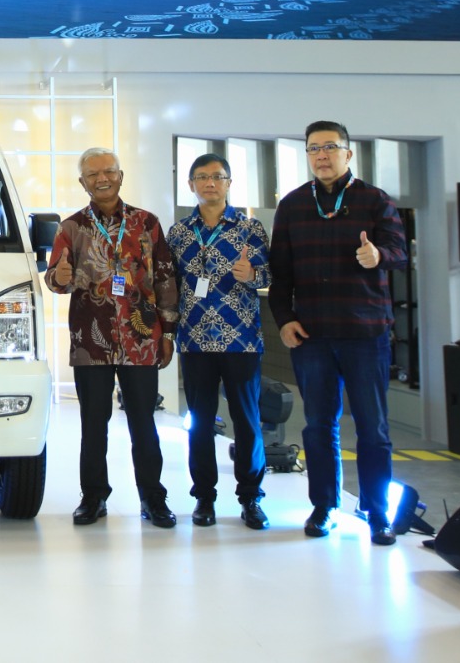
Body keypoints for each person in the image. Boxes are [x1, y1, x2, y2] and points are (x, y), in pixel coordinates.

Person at [269, 120, 407, 545]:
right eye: (313, 149)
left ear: (348, 153)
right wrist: (284, 319)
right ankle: (324, 505)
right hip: (312, 335)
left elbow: (399, 253)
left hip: (365, 332)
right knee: (317, 426)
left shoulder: (375, 201)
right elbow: (280, 273)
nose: (322, 156)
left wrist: (377, 255)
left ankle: (377, 512)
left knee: (373, 427)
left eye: (330, 147)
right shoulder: (293, 205)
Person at [44, 147, 179, 528]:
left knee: (143, 423)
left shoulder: (147, 223)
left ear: (121, 177)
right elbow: (55, 278)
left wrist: (168, 331)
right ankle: (93, 496)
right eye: (93, 174)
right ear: (82, 182)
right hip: (91, 342)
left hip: (142, 338)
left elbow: (165, 277)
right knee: (93, 424)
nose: (101, 179)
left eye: (108, 172)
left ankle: (153, 498)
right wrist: (58, 278)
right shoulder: (71, 228)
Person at [166, 153, 271, 530]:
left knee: (247, 420)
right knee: (199, 423)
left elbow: (268, 276)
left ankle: (251, 497)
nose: (209, 183)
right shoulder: (179, 232)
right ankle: (204, 497)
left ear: (228, 183)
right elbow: (169, 284)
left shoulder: (250, 228)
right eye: (201, 177)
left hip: (241, 341)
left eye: (217, 176)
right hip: (195, 340)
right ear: (190, 185)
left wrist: (251, 274)